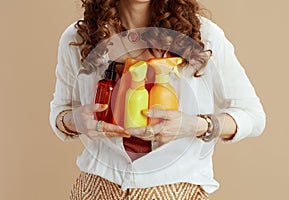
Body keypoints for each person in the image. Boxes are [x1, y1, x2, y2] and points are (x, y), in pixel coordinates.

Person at [49, 0, 266, 199]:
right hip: (95, 189)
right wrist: (74, 120)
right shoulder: (78, 37)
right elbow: (60, 111)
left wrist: (196, 125)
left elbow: (253, 116)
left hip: (176, 191)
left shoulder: (205, 36)